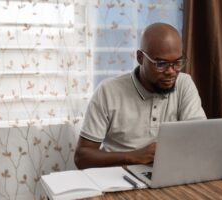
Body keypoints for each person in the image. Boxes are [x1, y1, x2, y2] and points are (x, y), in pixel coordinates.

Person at [74, 23, 206, 169]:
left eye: (177, 62)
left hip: (169, 172)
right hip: (118, 177)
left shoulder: (184, 83)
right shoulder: (108, 91)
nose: (171, 71)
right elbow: (82, 157)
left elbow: (199, 139)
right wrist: (133, 156)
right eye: (161, 63)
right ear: (140, 57)